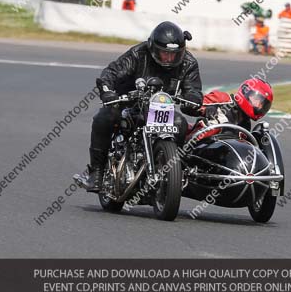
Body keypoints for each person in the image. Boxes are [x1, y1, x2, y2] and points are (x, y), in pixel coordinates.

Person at [81, 21, 203, 192]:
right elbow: (111, 73)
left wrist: (193, 99)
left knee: (180, 124)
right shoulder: (138, 54)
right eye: (164, 53)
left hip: (160, 108)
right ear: (153, 48)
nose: (169, 58)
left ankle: (170, 170)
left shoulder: (188, 62)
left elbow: (194, 91)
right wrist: (108, 92)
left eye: (174, 54)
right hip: (128, 104)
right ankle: (97, 171)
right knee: (105, 117)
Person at [188, 79, 274, 140]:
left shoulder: (246, 125)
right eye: (256, 100)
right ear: (246, 92)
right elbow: (190, 106)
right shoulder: (223, 98)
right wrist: (206, 109)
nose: (258, 106)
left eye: (262, 104)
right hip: (196, 144)